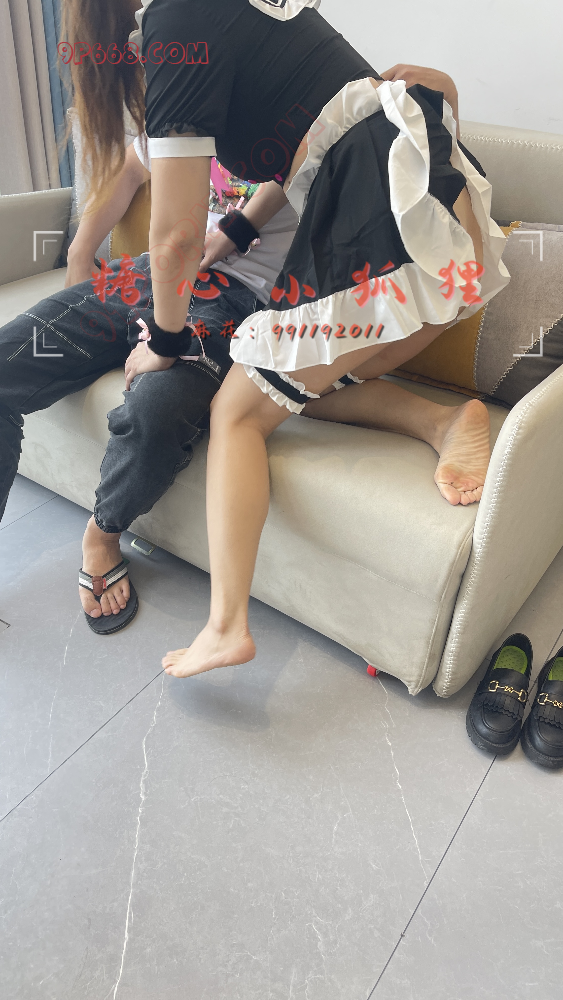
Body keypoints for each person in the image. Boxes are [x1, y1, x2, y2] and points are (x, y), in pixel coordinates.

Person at [61, 0, 507, 667]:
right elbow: (311, 139)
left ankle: (226, 627)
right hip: (442, 213)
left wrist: (165, 342)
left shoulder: (175, 19)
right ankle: (444, 423)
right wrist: (236, 229)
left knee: (235, 413)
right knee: (292, 385)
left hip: (387, 227)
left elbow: (174, 236)